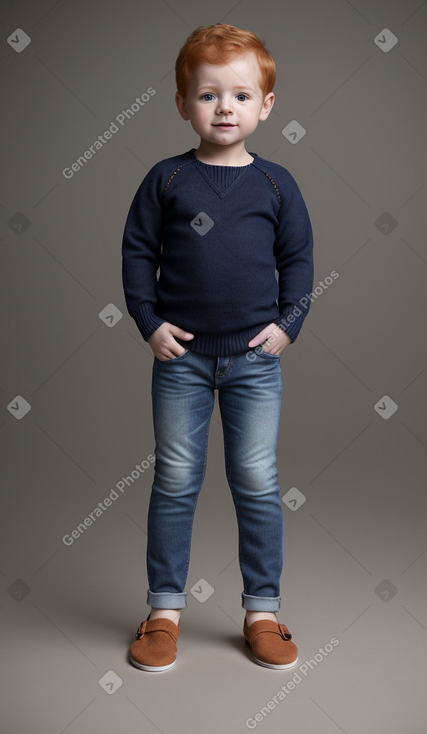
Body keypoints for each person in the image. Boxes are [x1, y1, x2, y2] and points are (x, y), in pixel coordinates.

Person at [122, 23, 314, 672]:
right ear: (182, 104)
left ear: (265, 106)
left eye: (239, 95)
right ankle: (163, 611)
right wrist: (148, 322)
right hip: (180, 361)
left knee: (257, 481)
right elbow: (137, 252)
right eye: (207, 95)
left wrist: (288, 325)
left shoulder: (276, 185)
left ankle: (261, 610)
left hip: (255, 363)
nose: (223, 108)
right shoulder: (167, 179)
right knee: (175, 480)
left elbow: (299, 262)